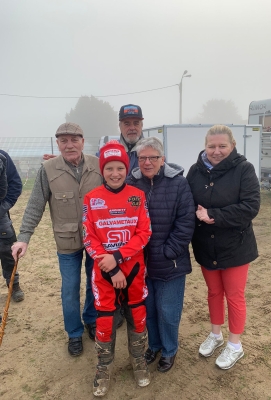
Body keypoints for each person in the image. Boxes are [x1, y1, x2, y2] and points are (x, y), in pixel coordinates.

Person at [11, 122, 102, 357]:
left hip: (97, 240)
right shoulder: (47, 169)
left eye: (74, 139)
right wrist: (24, 238)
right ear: (58, 143)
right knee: (69, 288)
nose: (69, 145)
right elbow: (35, 205)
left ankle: (91, 319)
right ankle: (73, 333)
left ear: (83, 141)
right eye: (64, 140)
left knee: (95, 283)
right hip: (67, 241)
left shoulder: (98, 165)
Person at [186, 124, 260, 370]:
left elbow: (251, 207)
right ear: (205, 146)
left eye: (222, 146)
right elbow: (187, 203)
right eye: (211, 146)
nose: (216, 151)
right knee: (214, 293)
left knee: (235, 296)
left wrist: (213, 215)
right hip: (206, 245)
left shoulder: (244, 170)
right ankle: (216, 335)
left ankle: (235, 345)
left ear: (233, 146)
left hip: (235, 246)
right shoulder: (195, 171)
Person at [83, 141, 152, 396]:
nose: (115, 173)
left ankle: (138, 361)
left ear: (126, 169)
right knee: (105, 321)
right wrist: (112, 268)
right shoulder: (91, 199)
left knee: (137, 316)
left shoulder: (138, 195)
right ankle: (103, 367)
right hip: (104, 272)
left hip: (134, 269)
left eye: (120, 168)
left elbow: (145, 232)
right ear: (102, 170)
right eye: (109, 168)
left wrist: (119, 256)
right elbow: (89, 238)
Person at [126, 137, 195, 373]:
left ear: (162, 159)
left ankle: (169, 350)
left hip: (170, 261)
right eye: (142, 158)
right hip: (141, 262)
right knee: (149, 309)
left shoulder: (178, 183)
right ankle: (154, 345)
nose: (146, 162)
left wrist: (170, 251)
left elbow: (186, 221)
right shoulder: (131, 184)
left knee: (168, 310)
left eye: (152, 158)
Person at [0, 150, 24, 305]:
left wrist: (2, 208)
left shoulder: (3, 157)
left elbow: (15, 184)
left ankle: (14, 286)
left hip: (1, 219)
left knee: (9, 253)